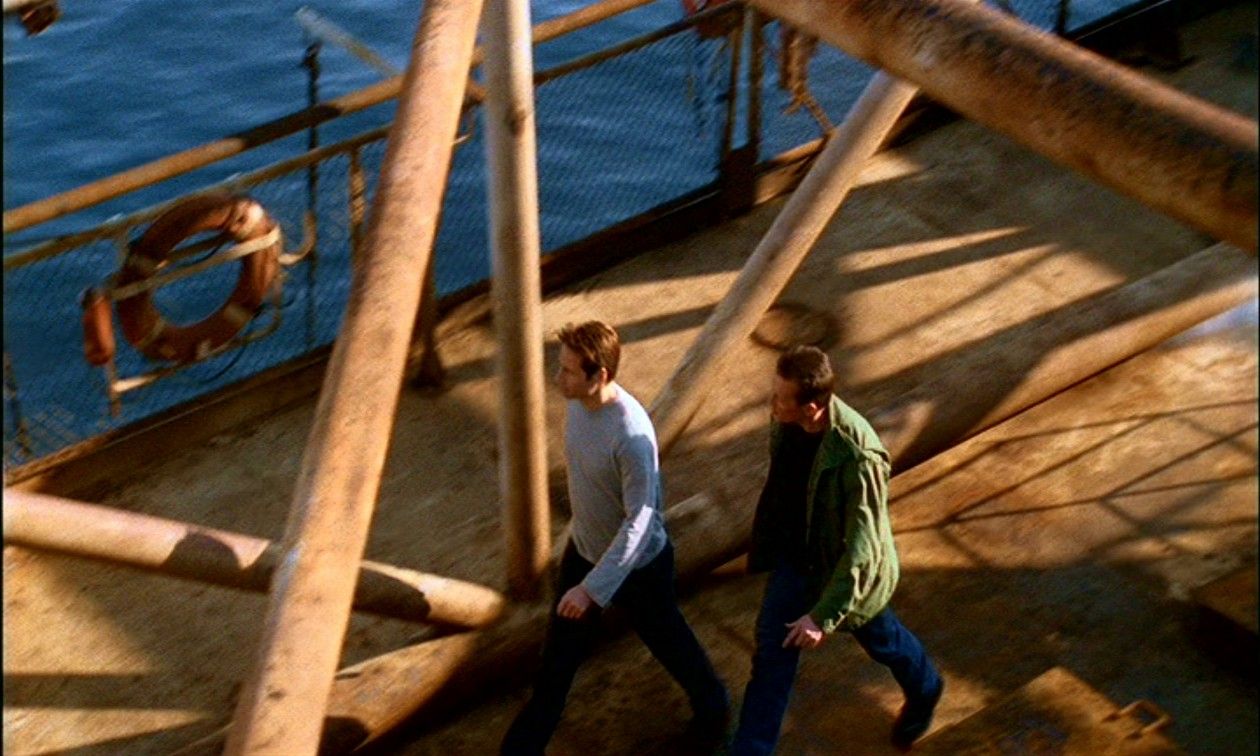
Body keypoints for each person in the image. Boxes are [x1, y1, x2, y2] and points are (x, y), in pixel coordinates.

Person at [501, 320, 729, 755]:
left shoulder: (632, 436)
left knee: (672, 646)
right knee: (554, 669)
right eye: (561, 367)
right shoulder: (577, 406)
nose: (558, 377)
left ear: (599, 377)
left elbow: (641, 521)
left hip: (639, 571)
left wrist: (591, 590)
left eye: (568, 371)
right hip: (584, 552)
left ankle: (715, 710)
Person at [731, 345, 943, 754]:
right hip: (797, 560)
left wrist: (823, 615)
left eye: (780, 397)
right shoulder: (787, 421)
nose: (771, 403)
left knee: (886, 643)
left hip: (845, 572)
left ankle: (927, 689)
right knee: (771, 662)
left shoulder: (859, 457)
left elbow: (862, 548)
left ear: (811, 408)